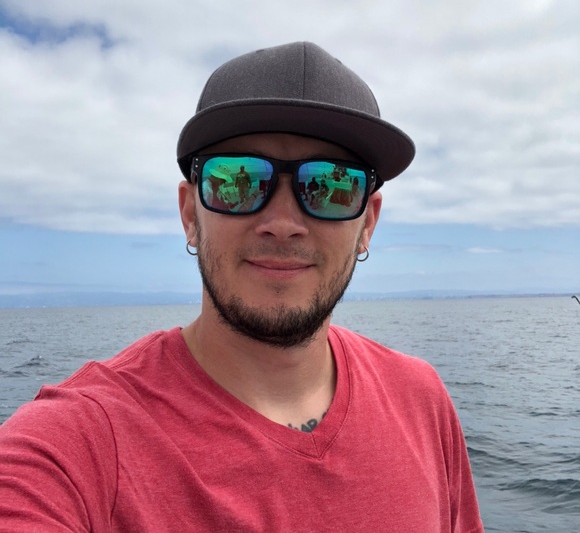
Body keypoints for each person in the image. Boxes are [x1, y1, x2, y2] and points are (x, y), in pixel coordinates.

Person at [0, 41, 484, 531]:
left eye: (331, 185)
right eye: (239, 179)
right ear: (190, 214)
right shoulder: (80, 445)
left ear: (367, 224)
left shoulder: (421, 399)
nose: (283, 223)